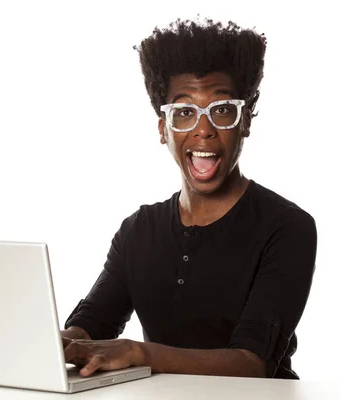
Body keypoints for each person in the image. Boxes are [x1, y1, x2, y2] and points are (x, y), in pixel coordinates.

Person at [60, 18, 317, 380]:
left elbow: (252, 362)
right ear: (164, 129)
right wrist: (58, 343)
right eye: (184, 112)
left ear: (245, 122)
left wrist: (137, 352)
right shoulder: (138, 231)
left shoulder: (286, 227)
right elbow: (91, 324)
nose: (203, 129)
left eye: (222, 110)